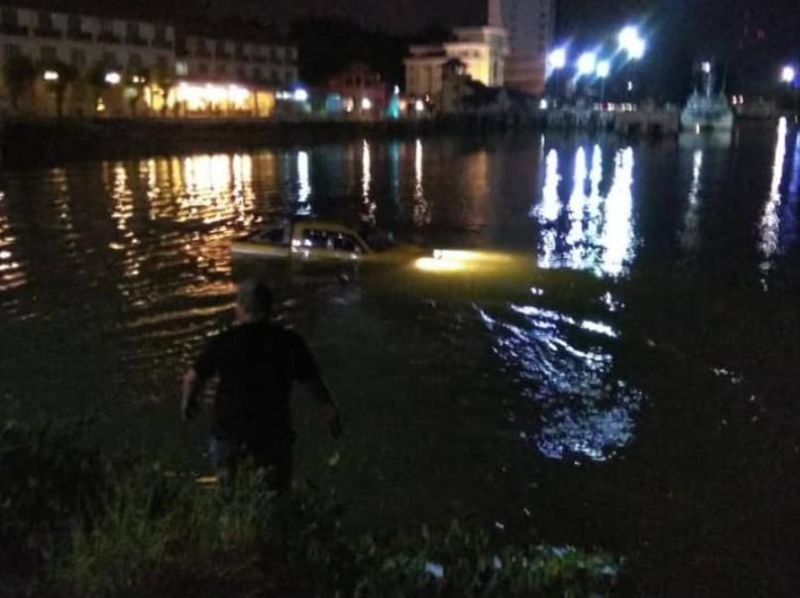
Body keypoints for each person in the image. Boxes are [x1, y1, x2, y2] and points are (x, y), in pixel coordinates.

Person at [182, 279, 342, 493]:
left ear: (240, 307)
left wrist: (188, 403)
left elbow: (192, 378)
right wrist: (329, 411)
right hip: (273, 434)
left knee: (230, 494)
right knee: (275, 493)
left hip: (229, 434)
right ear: (269, 308)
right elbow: (313, 381)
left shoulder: (224, 341)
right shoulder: (289, 342)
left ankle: (236, 523)